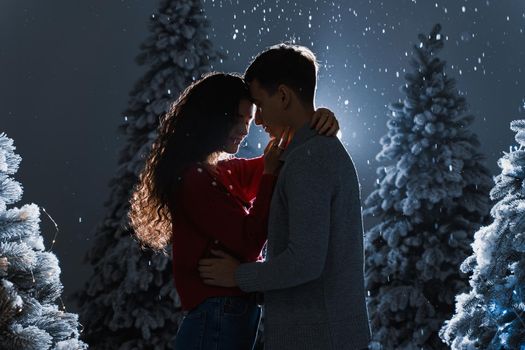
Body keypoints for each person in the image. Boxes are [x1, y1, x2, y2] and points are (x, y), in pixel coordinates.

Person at [127, 71, 340, 349]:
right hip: (216, 316)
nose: (245, 130)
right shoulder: (194, 181)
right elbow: (248, 241)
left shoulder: (220, 173)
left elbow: (278, 156)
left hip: (226, 315)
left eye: (249, 121)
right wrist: (269, 176)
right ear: (213, 117)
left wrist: (317, 120)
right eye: (237, 119)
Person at [198, 44, 372, 349]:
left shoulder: (310, 159)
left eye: (260, 106)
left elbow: (304, 262)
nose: (259, 121)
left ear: (283, 96)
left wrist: (238, 276)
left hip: (317, 339)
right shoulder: (306, 153)